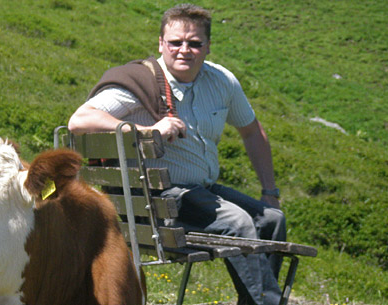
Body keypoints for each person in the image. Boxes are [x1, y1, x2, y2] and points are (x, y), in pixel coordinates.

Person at [68, 3, 286, 305]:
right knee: (239, 224)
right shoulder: (139, 82)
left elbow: (252, 132)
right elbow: (79, 120)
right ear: (161, 44)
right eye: (175, 43)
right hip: (162, 196)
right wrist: (145, 130)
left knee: (272, 219)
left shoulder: (222, 81)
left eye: (195, 43)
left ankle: (258, 301)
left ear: (208, 47)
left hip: (202, 191)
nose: (185, 50)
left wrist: (270, 191)